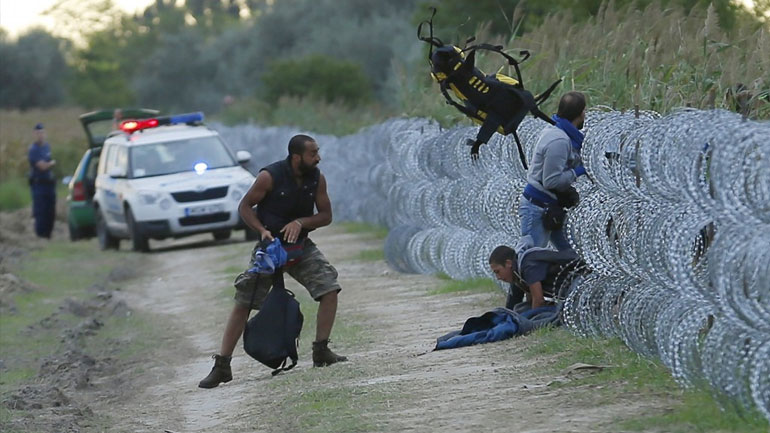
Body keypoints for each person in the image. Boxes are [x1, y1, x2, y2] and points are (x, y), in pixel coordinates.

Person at [199, 134, 347, 389]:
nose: (318, 158)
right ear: (297, 157)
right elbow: (245, 207)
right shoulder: (269, 176)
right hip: (270, 249)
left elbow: (326, 216)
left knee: (329, 288)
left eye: (317, 152)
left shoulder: (316, 178)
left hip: (300, 247)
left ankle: (321, 351)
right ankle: (222, 365)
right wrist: (261, 230)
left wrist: (300, 222)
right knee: (244, 301)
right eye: (313, 153)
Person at [519, 91, 588, 251]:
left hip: (551, 206)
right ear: (580, 113)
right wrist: (579, 171)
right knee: (530, 257)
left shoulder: (563, 134)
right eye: (584, 110)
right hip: (537, 207)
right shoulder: (559, 140)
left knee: (572, 256)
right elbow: (551, 181)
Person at [488, 239, 583, 310]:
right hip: (571, 287)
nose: (498, 277)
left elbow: (538, 300)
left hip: (580, 279)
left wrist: (531, 321)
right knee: (522, 309)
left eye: (498, 271)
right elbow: (531, 299)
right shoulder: (519, 271)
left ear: (508, 263)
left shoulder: (527, 265)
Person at [27, 123, 57, 239]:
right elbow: (42, 166)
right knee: (40, 211)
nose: (40, 135)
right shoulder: (33, 150)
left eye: (42, 133)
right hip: (39, 184)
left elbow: (47, 163)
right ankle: (41, 236)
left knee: (50, 210)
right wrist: (51, 163)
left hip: (49, 183)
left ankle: (48, 235)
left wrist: (49, 164)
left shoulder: (47, 147)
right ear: (34, 134)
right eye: (38, 133)